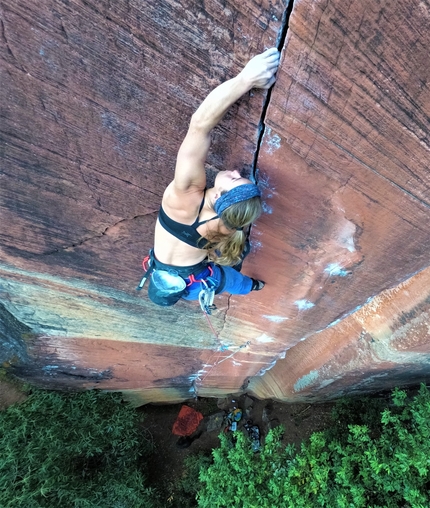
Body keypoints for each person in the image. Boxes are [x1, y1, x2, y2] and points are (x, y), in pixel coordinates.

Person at [145, 48, 281, 306]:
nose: (235, 171)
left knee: (227, 282)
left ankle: (251, 286)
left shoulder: (183, 198)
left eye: (234, 179)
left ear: (219, 195)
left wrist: (246, 79)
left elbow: (199, 125)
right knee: (234, 282)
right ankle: (254, 286)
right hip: (199, 275)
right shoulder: (228, 223)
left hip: (196, 281)